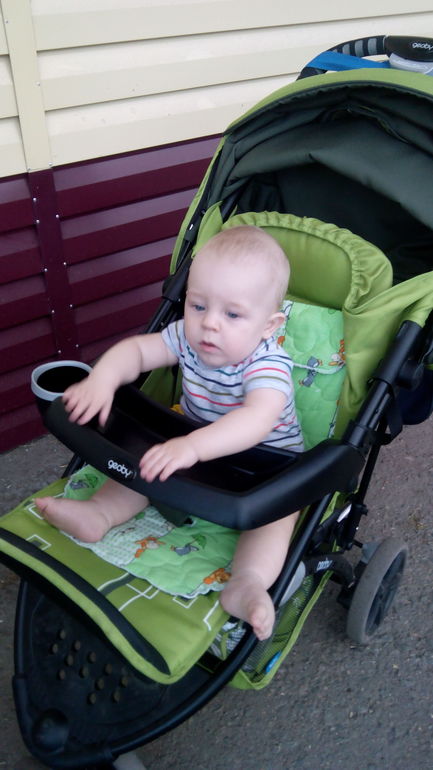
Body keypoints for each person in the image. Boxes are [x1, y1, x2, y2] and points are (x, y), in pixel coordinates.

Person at [36, 225, 303, 640]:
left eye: (232, 315)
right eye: (198, 305)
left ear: (269, 326)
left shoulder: (268, 365)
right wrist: (103, 379)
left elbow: (257, 419)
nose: (209, 324)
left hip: (262, 466)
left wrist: (193, 446)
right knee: (146, 464)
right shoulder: (186, 338)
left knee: (278, 515)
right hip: (189, 447)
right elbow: (138, 350)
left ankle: (247, 582)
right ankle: (98, 514)